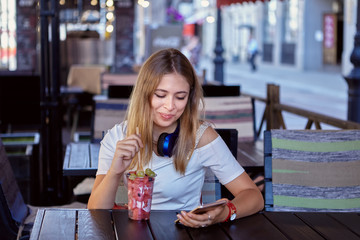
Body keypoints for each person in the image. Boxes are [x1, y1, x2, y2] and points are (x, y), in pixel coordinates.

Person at [87, 48, 264, 228]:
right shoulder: (117, 136)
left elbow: (254, 196)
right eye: (160, 95)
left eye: (180, 97)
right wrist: (115, 172)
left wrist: (222, 214)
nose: (170, 106)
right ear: (144, 93)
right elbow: (95, 211)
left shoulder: (201, 136)